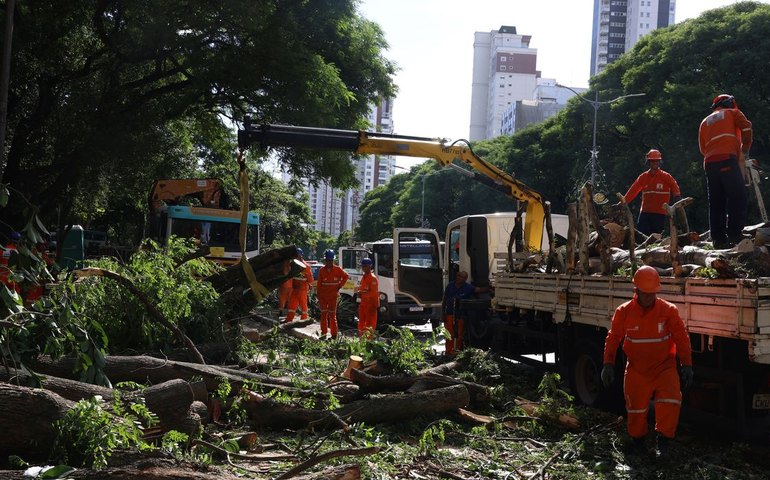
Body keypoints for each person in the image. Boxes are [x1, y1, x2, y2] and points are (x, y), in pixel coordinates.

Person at [601, 266, 693, 458]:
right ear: (637, 291)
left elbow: (681, 337)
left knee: (671, 400)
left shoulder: (668, 311)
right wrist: (608, 363)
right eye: (645, 293)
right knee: (636, 408)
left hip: (664, 366)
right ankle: (638, 443)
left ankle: (664, 442)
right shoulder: (624, 312)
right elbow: (613, 337)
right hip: (637, 368)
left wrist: (687, 364)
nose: (649, 297)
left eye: (652, 293)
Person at [698, 94, 753, 249]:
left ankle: (718, 239)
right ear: (730, 103)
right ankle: (735, 234)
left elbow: (703, 148)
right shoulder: (733, 113)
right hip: (727, 159)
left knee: (716, 202)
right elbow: (747, 128)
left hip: (709, 163)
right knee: (738, 197)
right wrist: (745, 149)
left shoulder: (704, 122)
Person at [622, 149, 681, 236]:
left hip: (660, 213)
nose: (655, 163)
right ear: (648, 162)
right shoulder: (643, 177)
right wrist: (622, 203)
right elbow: (633, 191)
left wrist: (677, 196)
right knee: (641, 235)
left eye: (657, 161)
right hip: (645, 213)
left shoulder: (666, 176)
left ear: (659, 162)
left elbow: (674, 186)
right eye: (653, 161)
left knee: (656, 237)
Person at [442, 271, 491, 355]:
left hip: (460, 315)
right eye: (458, 276)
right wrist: (443, 313)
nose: (458, 278)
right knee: (449, 335)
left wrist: (490, 288)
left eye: (461, 277)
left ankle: (456, 352)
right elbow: (445, 299)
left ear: (465, 279)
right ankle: (448, 352)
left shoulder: (468, 287)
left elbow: (478, 290)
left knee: (459, 335)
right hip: (449, 314)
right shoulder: (450, 286)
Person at [316, 249, 349, 339]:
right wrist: (318, 297)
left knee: (332, 316)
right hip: (323, 296)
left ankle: (334, 335)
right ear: (325, 260)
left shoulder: (338, 270)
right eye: (327, 260)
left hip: (333, 297)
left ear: (333, 260)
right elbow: (319, 285)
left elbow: (346, 276)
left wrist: (340, 286)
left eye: (330, 260)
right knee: (323, 315)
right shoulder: (322, 270)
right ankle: (323, 334)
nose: (329, 262)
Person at [285, 247, 313, 322]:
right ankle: (289, 319)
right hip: (295, 288)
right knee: (292, 305)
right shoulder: (293, 265)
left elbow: (310, 280)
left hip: (302, 289)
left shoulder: (306, 266)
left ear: (300, 256)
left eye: (296, 256)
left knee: (303, 305)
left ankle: (304, 320)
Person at [355, 257, 379, 338]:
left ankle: (368, 340)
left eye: (366, 266)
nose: (364, 268)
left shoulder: (372, 278)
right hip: (363, 303)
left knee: (370, 323)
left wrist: (373, 306)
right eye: (363, 266)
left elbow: (373, 293)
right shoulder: (364, 277)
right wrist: (359, 293)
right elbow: (362, 289)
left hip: (371, 304)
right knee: (361, 322)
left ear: (370, 267)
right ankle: (362, 338)